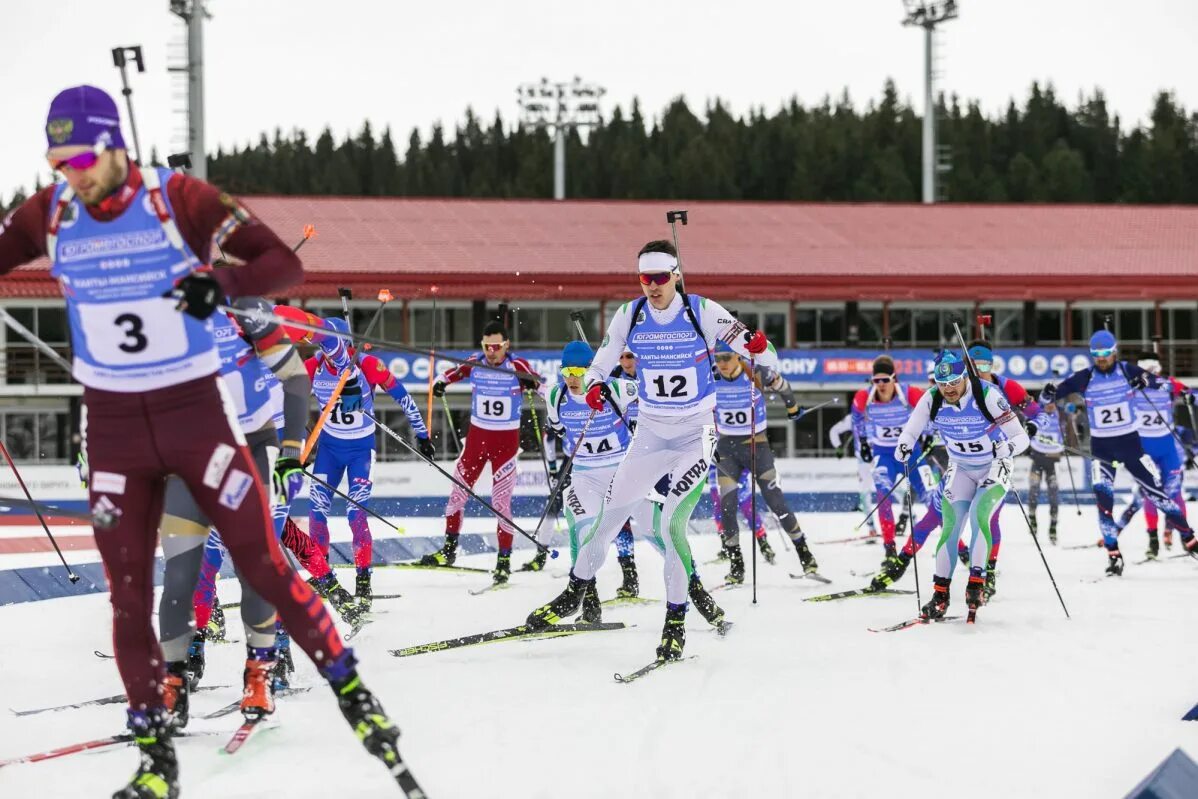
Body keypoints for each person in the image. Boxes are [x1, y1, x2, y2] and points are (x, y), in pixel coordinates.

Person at [0, 86, 410, 796]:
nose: (70, 173)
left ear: (113, 143)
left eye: (80, 158)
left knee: (261, 561)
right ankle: (157, 751)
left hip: (199, 418)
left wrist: (219, 283)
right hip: (117, 428)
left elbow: (282, 265)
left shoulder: (177, 198)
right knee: (133, 590)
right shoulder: (53, 210)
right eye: (56, 160)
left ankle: (348, 694)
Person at [524, 238, 778, 662]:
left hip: (695, 435)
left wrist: (756, 346)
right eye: (645, 278)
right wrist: (595, 386)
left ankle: (675, 622)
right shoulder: (631, 313)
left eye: (660, 278)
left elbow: (766, 353)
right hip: (650, 436)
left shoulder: (702, 311)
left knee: (672, 526)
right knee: (607, 520)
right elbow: (600, 363)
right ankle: (574, 591)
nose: (653, 286)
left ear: (675, 274)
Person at [541, 340, 728, 626]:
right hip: (586, 477)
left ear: (592, 369)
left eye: (580, 371)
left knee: (662, 536)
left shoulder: (615, 388)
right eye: (567, 371)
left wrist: (637, 415)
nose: (573, 378)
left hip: (626, 475)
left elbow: (652, 393)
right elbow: (554, 427)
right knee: (582, 530)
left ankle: (698, 593)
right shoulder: (555, 397)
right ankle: (588, 602)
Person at [296, 312, 433, 611]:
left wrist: (422, 434)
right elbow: (288, 402)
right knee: (316, 512)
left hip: (360, 450)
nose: (331, 353)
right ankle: (322, 576)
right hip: (329, 451)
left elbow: (403, 396)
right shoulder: (313, 366)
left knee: (354, 514)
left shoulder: (367, 365)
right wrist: (299, 446)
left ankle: (363, 580)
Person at [1045, 331, 1197, 574]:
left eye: (1106, 354)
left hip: (1131, 447)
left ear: (1114, 352)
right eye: (1096, 355)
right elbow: (1053, 395)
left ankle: (1189, 538)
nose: (1102, 359)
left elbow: (1162, 383)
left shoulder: (1128, 371)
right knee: (1103, 501)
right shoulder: (1085, 377)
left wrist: (1151, 383)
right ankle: (1114, 555)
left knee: (1159, 495)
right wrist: (1047, 395)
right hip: (1102, 450)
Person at [893, 353, 1029, 621]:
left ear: (965, 377)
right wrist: (904, 445)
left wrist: (1008, 448)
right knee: (950, 525)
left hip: (994, 465)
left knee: (981, 515)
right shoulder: (931, 398)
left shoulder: (987, 395)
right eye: (943, 384)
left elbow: (1021, 437)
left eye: (954, 381)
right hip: (961, 467)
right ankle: (940, 594)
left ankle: (976, 585)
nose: (949, 389)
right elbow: (910, 431)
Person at [423, 321, 541, 585]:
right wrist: (440, 384)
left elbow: (545, 387)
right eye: (487, 346)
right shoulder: (475, 362)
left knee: (501, 505)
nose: (491, 351)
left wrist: (534, 386)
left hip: (505, 447)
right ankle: (449, 551)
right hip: (476, 442)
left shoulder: (517, 366)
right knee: (456, 497)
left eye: (496, 346)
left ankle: (503, 561)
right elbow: (449, 374)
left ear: (506, 345)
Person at [711, 340, 818, 582]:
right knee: (727, 507)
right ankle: (736, 565)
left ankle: (805, 555)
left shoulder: (755, 373)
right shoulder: (711, 378)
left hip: (757, 447)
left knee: (776, 502)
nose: (722, 364)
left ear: (738, 357)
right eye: (718, 359)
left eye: (727, 357)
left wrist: (793, 408)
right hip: (727, 449)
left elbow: (784, 386)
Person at [851, 356, 929, 558]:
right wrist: (863, 443)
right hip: (884, 455)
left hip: (911, 453)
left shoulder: (907, 392)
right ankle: (889, 549)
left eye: (885, 380)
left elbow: (930, 409)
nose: (881, 385)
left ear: (894, 378)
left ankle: (961, 549)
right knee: (883, 497)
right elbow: (856, 418)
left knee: (932, 498)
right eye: (876, 381)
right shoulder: (864, 396)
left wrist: (928, 435)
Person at [1118, 356, 1194, 558]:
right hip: (1144, 449)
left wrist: (1189, 397)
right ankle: (1153, 542)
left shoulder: (1167, 384)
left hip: (1167, 448)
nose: (1152, 372)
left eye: (1155, 368)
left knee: (1175, 493)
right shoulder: (1132, 386)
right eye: (1147, 368)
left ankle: (1186, 540)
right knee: (1151, 493)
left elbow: (1190, 392)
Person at [829, 411, 880, 537]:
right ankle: (871, 527)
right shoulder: (853, 418)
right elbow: (834, 431)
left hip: (882, 458)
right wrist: (838, 446)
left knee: (896, 490)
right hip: (863, 461)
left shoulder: (883, 412)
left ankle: (907, 517)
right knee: (864, 493)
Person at [1027, 391, 1066, 544]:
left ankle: (1053, 528)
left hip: (1051, 462)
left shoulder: (1059, 415)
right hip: (1037, 459)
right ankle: (1033, 520)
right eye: (1048, 403)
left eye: (1053, 403)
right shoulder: (1038, 414)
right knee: (1033, 492)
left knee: (1053, 496)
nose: (1050, 406)